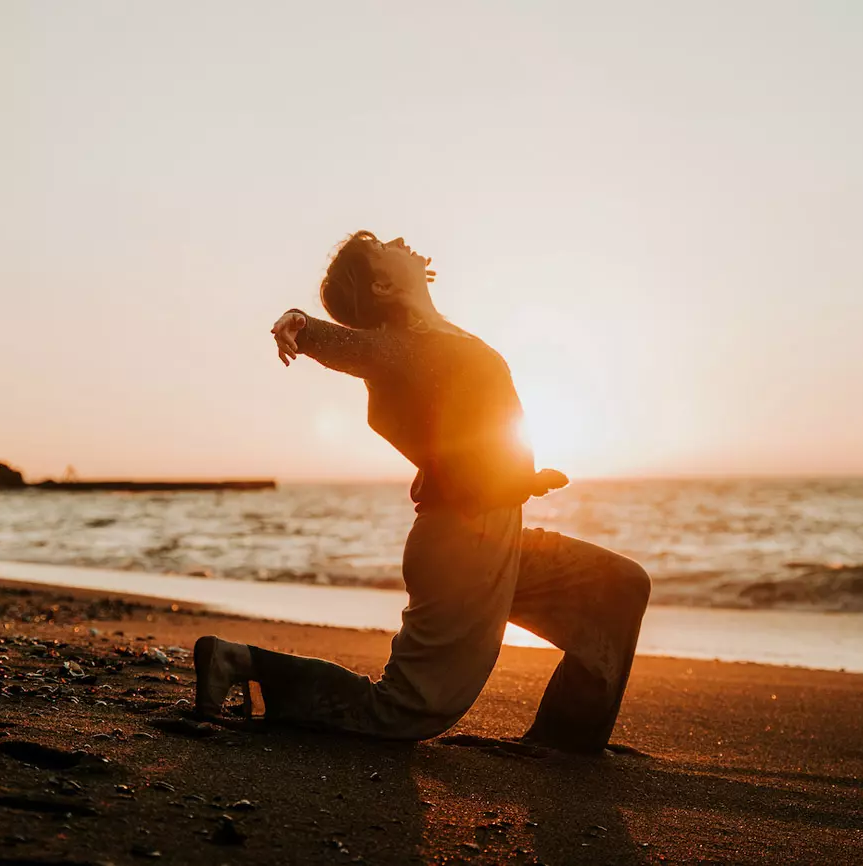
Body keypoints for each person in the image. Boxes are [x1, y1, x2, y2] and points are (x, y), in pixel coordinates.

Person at [194, 231, 651, 753]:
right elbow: (353, 348)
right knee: (404, 710)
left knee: (618, 587)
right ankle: (240, 662)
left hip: (495, 532)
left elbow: (462, 440)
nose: (401, 240)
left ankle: (566, 740)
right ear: (384, 284)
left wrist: (521, 480)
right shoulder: (400, 346)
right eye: (385, 246)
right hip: (463, 545)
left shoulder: (439, 338)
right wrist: (300, 323)